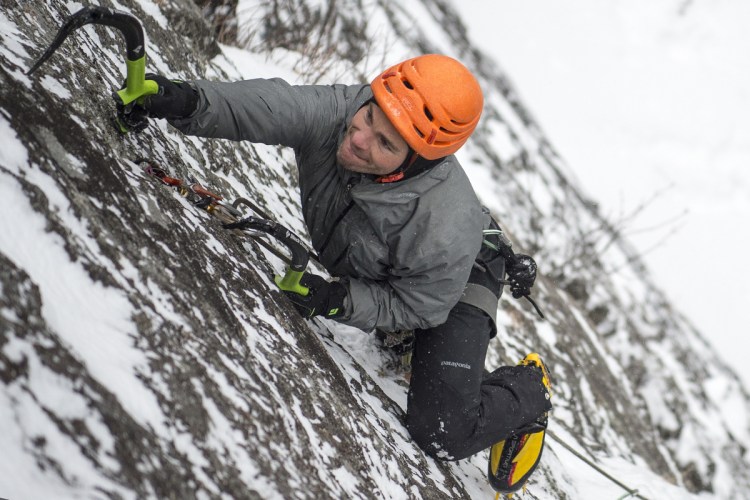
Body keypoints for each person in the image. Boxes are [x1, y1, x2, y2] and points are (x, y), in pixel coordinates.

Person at [130, 54, 551, 493]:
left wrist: (338, 300)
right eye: (368, 114)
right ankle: (403, 342)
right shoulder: (345, 113)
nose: (359, 139)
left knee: (442, 432)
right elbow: (273, 105)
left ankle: (529, 391)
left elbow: (419, 303)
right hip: (398, 265)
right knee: (400, 339)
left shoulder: (442, 229)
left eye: (385, 144)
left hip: (458, 282)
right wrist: (185, 100)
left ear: (415, 163)